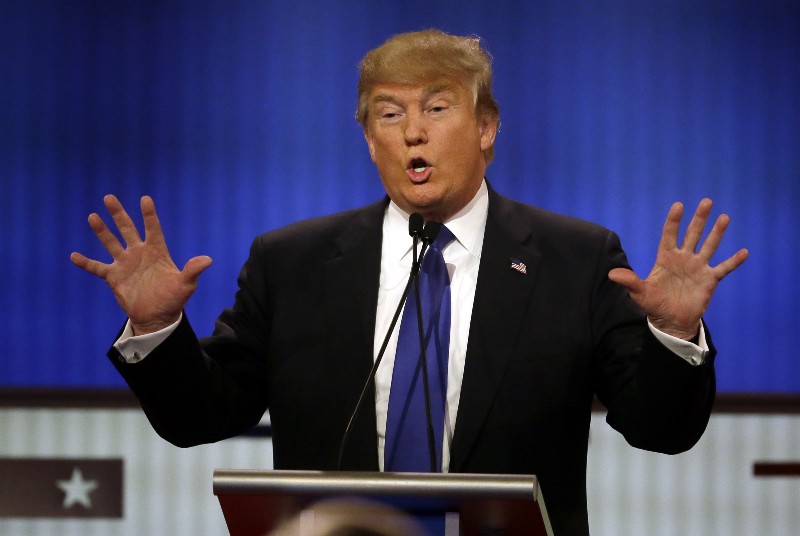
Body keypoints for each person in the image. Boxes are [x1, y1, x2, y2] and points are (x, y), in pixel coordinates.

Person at [71, 30, 748, 535]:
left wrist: (674, 333)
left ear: (486, 127)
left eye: (437, 108)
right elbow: (204, 417)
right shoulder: (293, 261)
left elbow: (659, 429)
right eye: (389, 115)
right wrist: (159, 332)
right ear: (369, 140)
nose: (413, 134)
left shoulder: (576, 258)